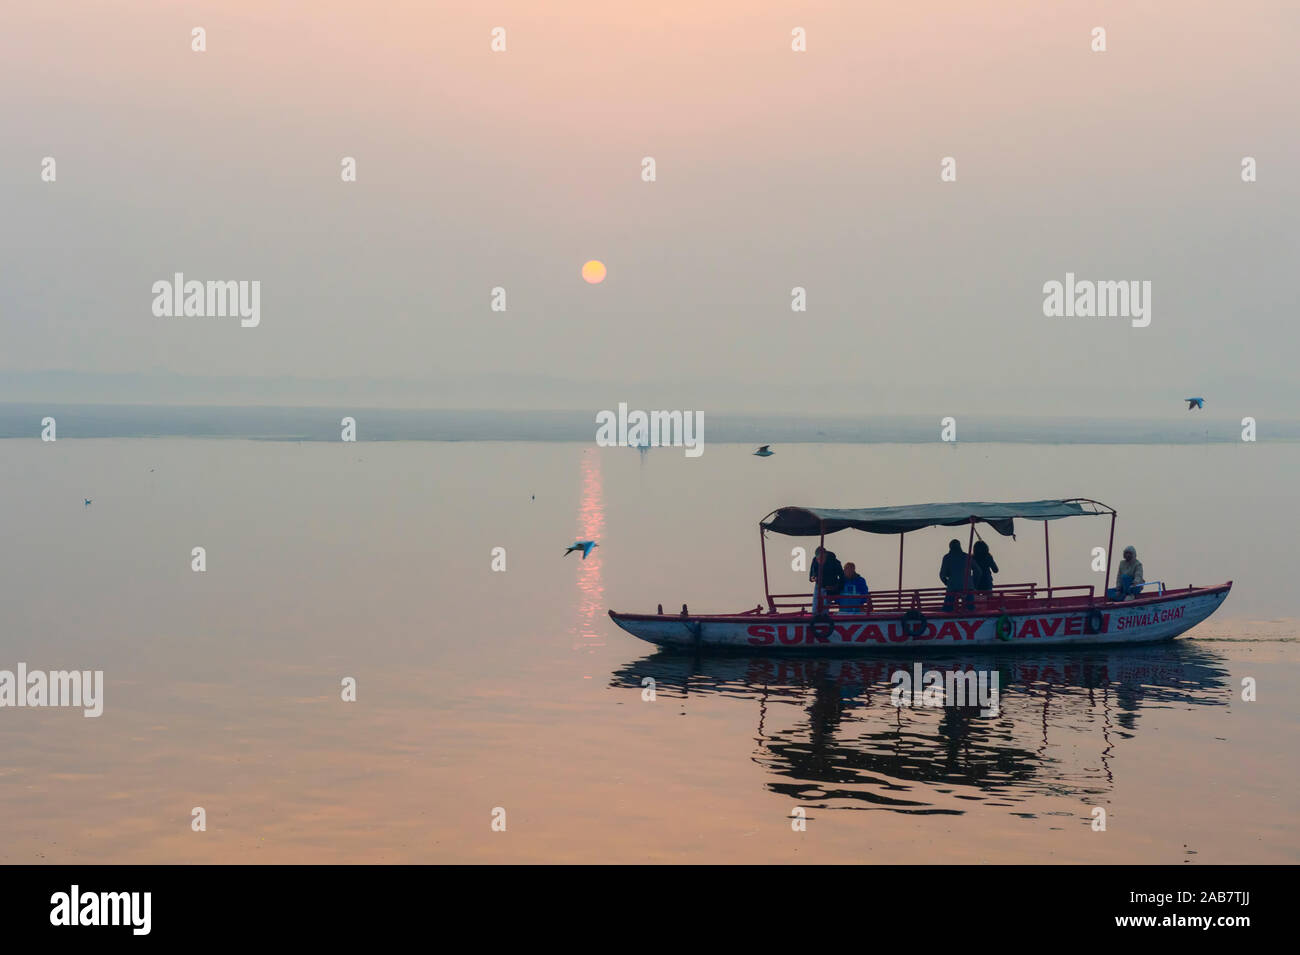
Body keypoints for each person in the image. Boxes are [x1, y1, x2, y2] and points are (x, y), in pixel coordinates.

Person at [939, 539, 974, 611]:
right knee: (971, 609)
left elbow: (942, 575)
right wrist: (973, 582)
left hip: (952, 587)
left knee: (947, 609)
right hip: (968, 586)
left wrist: (947, 582)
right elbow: (978, 571)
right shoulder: (967, 556)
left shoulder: (947, 557)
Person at [809, 546, 844, 612]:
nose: (820, 561)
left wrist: (835, 587)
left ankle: (824, 617)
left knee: (825, 609)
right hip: (818, 586)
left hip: (830, 587)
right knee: (815, 608)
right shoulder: (815, 560)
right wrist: (813, 577)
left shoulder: (835, 562)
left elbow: (842, 577)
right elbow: (811, 574)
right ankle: (815, 616)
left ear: (826, 555)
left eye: (822, 558)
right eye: (818, 559)